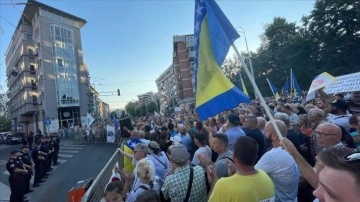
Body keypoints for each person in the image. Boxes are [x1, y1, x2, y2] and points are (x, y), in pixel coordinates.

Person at [208, 136, 275, 202]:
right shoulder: (266, 178)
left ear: (234, 155)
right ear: (256, 156)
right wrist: (232, 175)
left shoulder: (223, 185)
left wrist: (214, 181)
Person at [255, 120, 300, 202]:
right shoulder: (290, 149)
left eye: (266, 130)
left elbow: (250, 175)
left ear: (275, 135)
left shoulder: (272, 156)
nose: (264, 133)